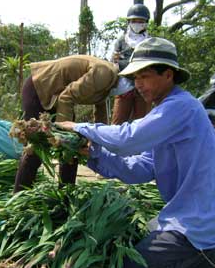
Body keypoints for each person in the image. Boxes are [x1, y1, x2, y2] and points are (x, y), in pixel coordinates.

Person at [56, 37, 215, 268]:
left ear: (168, 75)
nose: (138, 85)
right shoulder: (164, 113)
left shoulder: (181, 107)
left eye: (144, 77)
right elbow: (139, 168)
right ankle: (192, 255)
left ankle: (206, 258)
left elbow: (128, 138)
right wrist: (93, 154)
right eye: (135, 79)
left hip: (195, 225)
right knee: (126, 250)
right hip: (183, 217)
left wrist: (80, 127)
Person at [13, 55, 134, 193]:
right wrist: (61, 134)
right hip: (40, 88)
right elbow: (66, 97)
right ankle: (20, 195)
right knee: (37, 147)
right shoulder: (105, 73)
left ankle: (65, 194)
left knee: (73, 147)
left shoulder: (109, 82)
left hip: (59, 98)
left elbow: (100, 113)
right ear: (124, 76)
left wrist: (99, 141)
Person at [111, 3, 152, 125]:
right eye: (134, 21)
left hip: (144, 87)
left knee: (142, 124)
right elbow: (114, 61)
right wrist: (116, 60)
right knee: (117, 123)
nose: (137, 23)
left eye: (141, 21)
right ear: (129, 22)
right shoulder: (121, 40)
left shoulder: (150, 41)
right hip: (124, 87)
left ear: (146, 23)